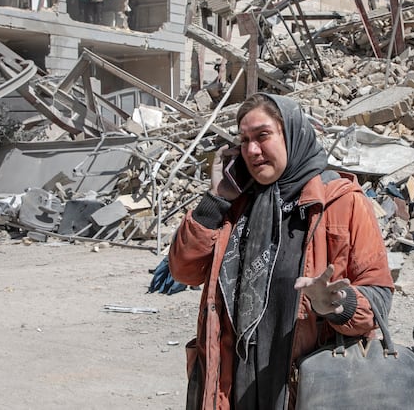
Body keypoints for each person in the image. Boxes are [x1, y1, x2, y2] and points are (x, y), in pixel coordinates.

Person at [168, 93, 394, 410]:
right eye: (244, 140)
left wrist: (337, 304)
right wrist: (216, 200)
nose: (252, 150)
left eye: (262, 136)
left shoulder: (342, 202)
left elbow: (379, 297)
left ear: (291, 135)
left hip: (304, 387)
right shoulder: (237, 206)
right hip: (237, 383)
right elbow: (184, 271)